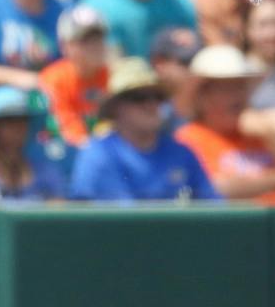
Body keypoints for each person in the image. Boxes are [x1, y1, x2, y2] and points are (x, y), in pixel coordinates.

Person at [175, 45, 275, 205]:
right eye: (227, 88)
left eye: (241, 86)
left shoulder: (261, 134)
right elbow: (214, 188)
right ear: (202, 96)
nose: (237, 96)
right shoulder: (188, 138)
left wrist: (270, 134)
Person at [69, 59, 218, 202]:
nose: (151, 104)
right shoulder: (100, 153)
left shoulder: (182, 153)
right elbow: (126, 223)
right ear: (115, 107)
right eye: (138, 97)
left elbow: (214, 210)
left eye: (158, 97)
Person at [37, 4, 111, 145]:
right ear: (64, 46)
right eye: (85, 40)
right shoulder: (53, 80)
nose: (94, 46)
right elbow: (67, 130)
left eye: (98, 38)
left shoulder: (113, 76)